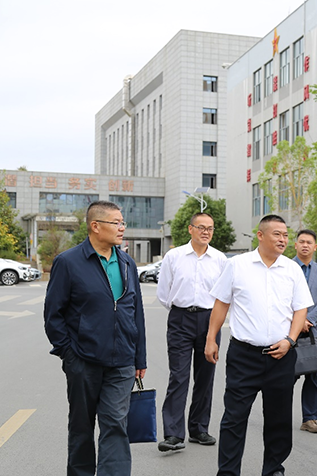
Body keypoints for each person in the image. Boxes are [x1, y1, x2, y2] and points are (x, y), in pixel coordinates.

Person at [204, 214, 313, 476]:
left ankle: (274, 469)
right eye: (277, 234)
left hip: (281, 356)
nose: (283, 239)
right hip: (244, 355)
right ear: (260, 236)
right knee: (234, 417)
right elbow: (221, 303)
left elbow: (301, 309)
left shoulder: (292, 269)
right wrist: (210, 338)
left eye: (285, 235)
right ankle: (228, 472)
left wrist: (290, 340)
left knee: (279, 419)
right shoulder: (237, 265)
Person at [43, 200, 147, 476]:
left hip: (122, 361)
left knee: (116, 425)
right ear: (95, 226)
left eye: (123, 222)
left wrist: (139, 357)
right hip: (83, 360)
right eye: (116, 222)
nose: (122, 228)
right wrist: (68, 354)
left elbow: (136, 312)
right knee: (81, 427)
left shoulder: (127, 263)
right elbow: (53, 314)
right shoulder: (68, 262)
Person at [156, 213, 227, 452]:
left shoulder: (219, 259)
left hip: (210, 320)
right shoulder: (174, 256)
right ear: (190, 229)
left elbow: (224, 295)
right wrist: (182, 310)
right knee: (179, 376)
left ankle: (198, 429)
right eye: (201, 227)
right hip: (180, 319)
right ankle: (173, 434)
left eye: (210, 228)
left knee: (205, 376)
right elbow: (164, 292)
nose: (206, 232)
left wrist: (213, 324)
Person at [292, 229, 317, 434]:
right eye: (302, 242)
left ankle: (309, 419)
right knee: (285, 375)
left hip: (313, 331)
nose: (305, 245)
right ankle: (278, 416)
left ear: (315, 247)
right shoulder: (285, 267)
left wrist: (308, 320)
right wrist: (297, 321)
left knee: (313, 377)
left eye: (309, 242)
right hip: (288, 329)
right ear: (296, 245)